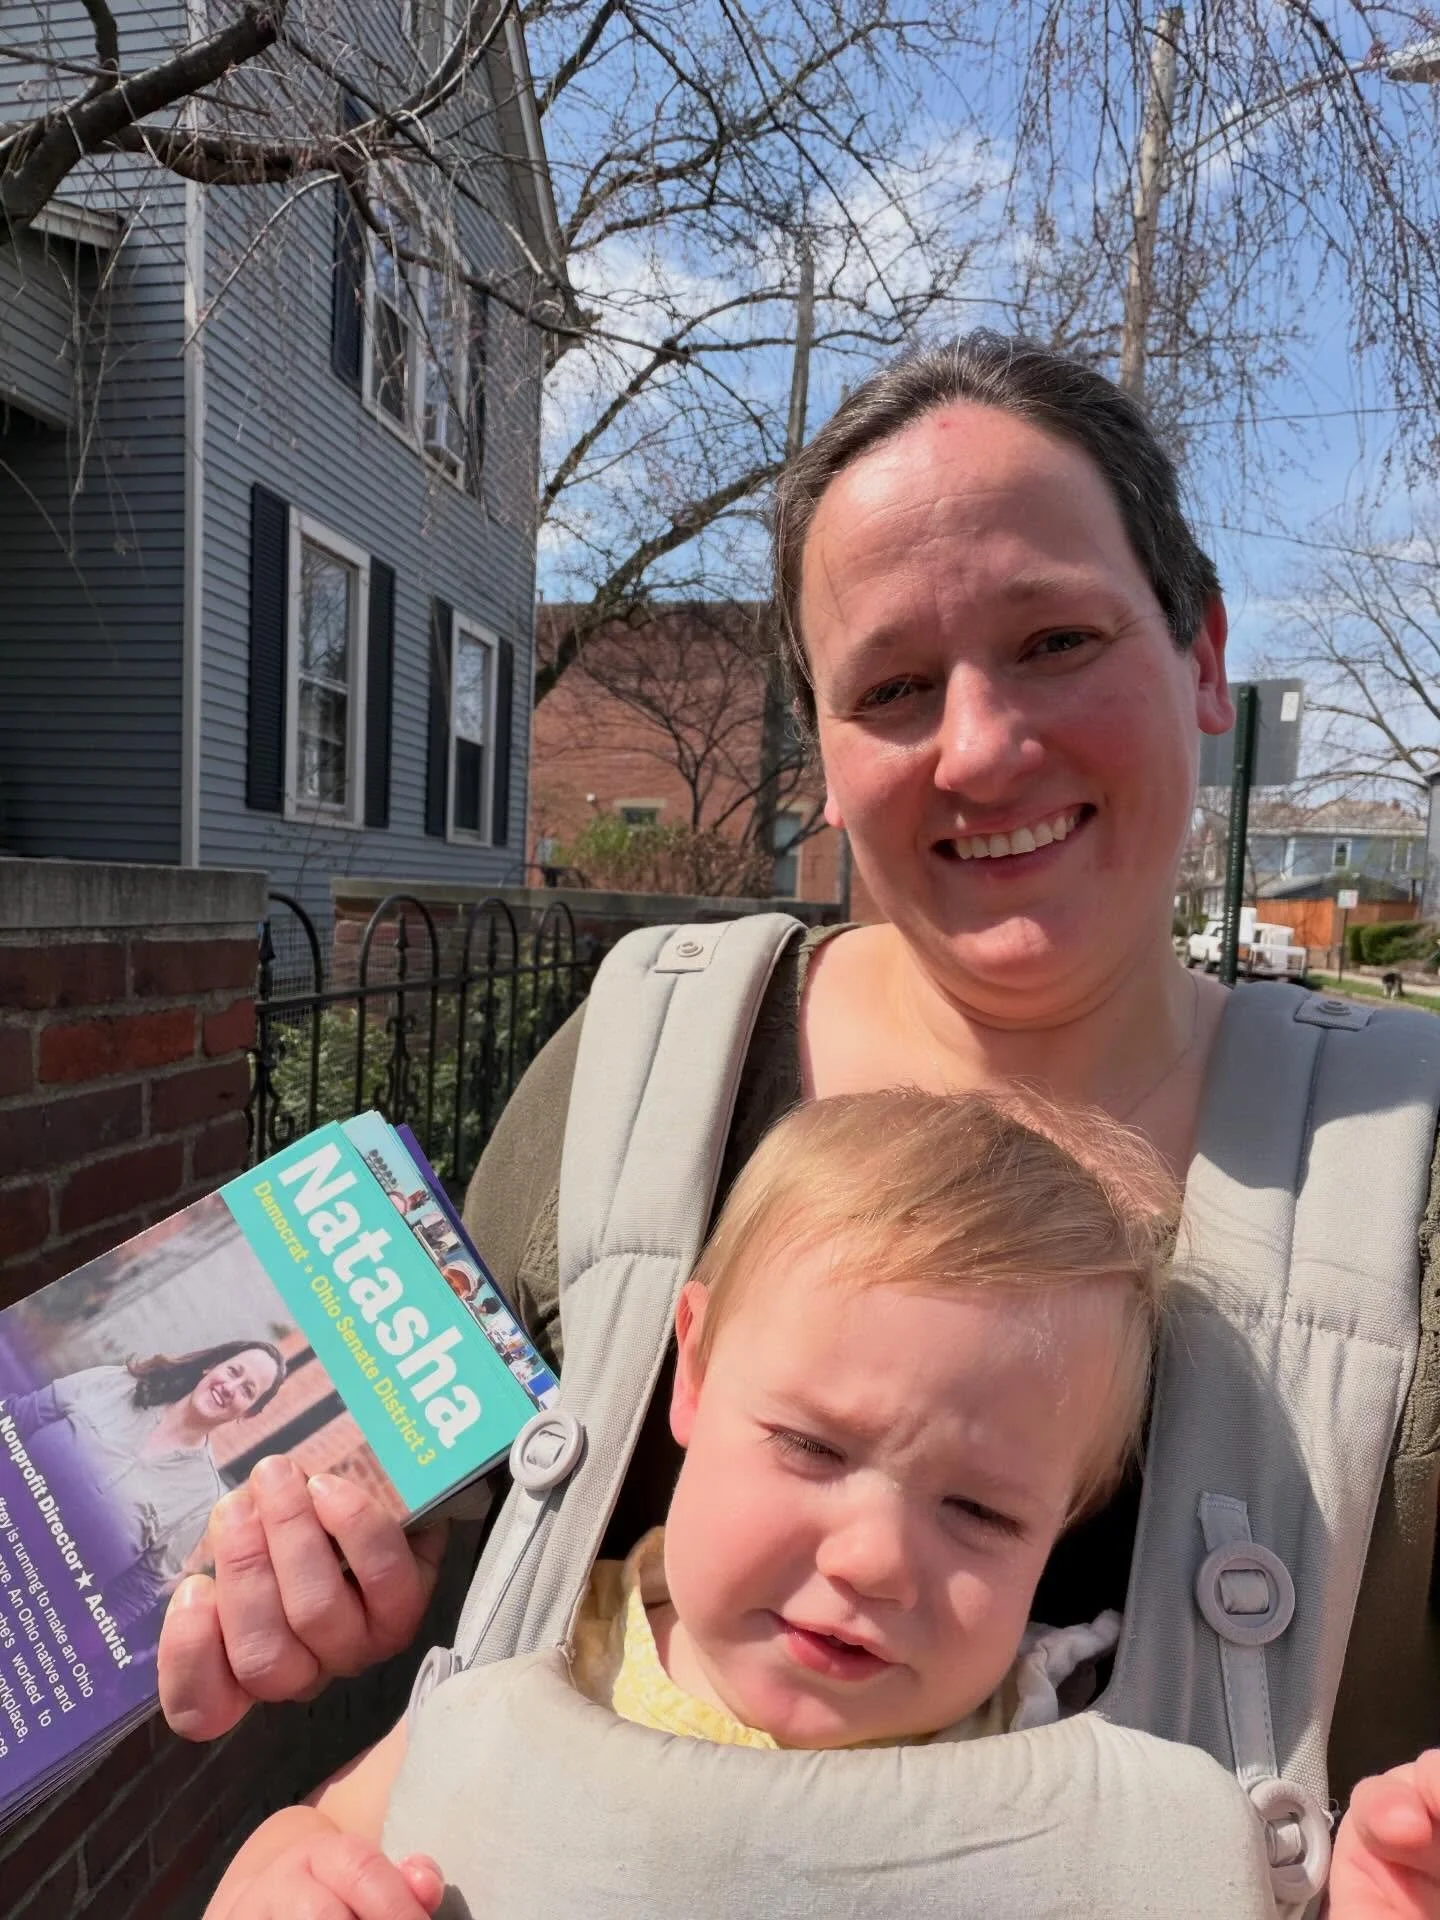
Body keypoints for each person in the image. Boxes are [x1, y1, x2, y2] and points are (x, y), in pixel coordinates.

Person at [156, 333, 1440, 1817]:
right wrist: (298, 1647)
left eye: (1056, 642)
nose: (981, 745)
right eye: (892, 684)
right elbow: (486, 1602)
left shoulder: (1405, 1170)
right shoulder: (643, 1064)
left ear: (1202, 656)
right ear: (823, 753)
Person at [202, 1094, 1440, 1920]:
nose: (874, 1560)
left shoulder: (1059, 1745)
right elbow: (339, 1839)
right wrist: (280, 1871)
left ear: (1074, 1515)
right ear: (688, 1371)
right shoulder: (554, 1650)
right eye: (808, 1445)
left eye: (984, 1515)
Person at [8, 1340, 285, 1633]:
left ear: (249, 1413)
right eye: (233, 1371)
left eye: (247, 1391)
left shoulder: (204, 1497)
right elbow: (15, 1417)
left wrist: (70, 1646)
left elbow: (134, 1595)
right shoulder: (118, 1384)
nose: (231, 1387)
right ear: (211, 1366)